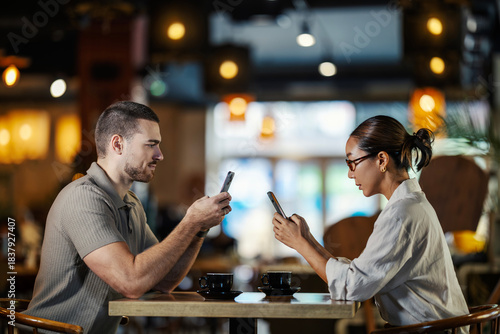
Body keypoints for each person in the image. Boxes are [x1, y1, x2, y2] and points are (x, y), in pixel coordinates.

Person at [24, 101, 232, 333]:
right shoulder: (83, 198)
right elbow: (131, 283)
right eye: (151, 145)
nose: (160, 155)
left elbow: (164, 281)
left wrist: (199, 228)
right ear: (118, 144)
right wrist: (190, 221)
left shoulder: (131, 204)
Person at [271, 115, 469, 328]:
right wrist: (307, 239)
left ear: (381, 160)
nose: (349, 173)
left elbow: (354, 286)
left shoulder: (401, 214)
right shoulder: (410, 205)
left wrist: (300, 245)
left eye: (352, 162)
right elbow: (360, 274)